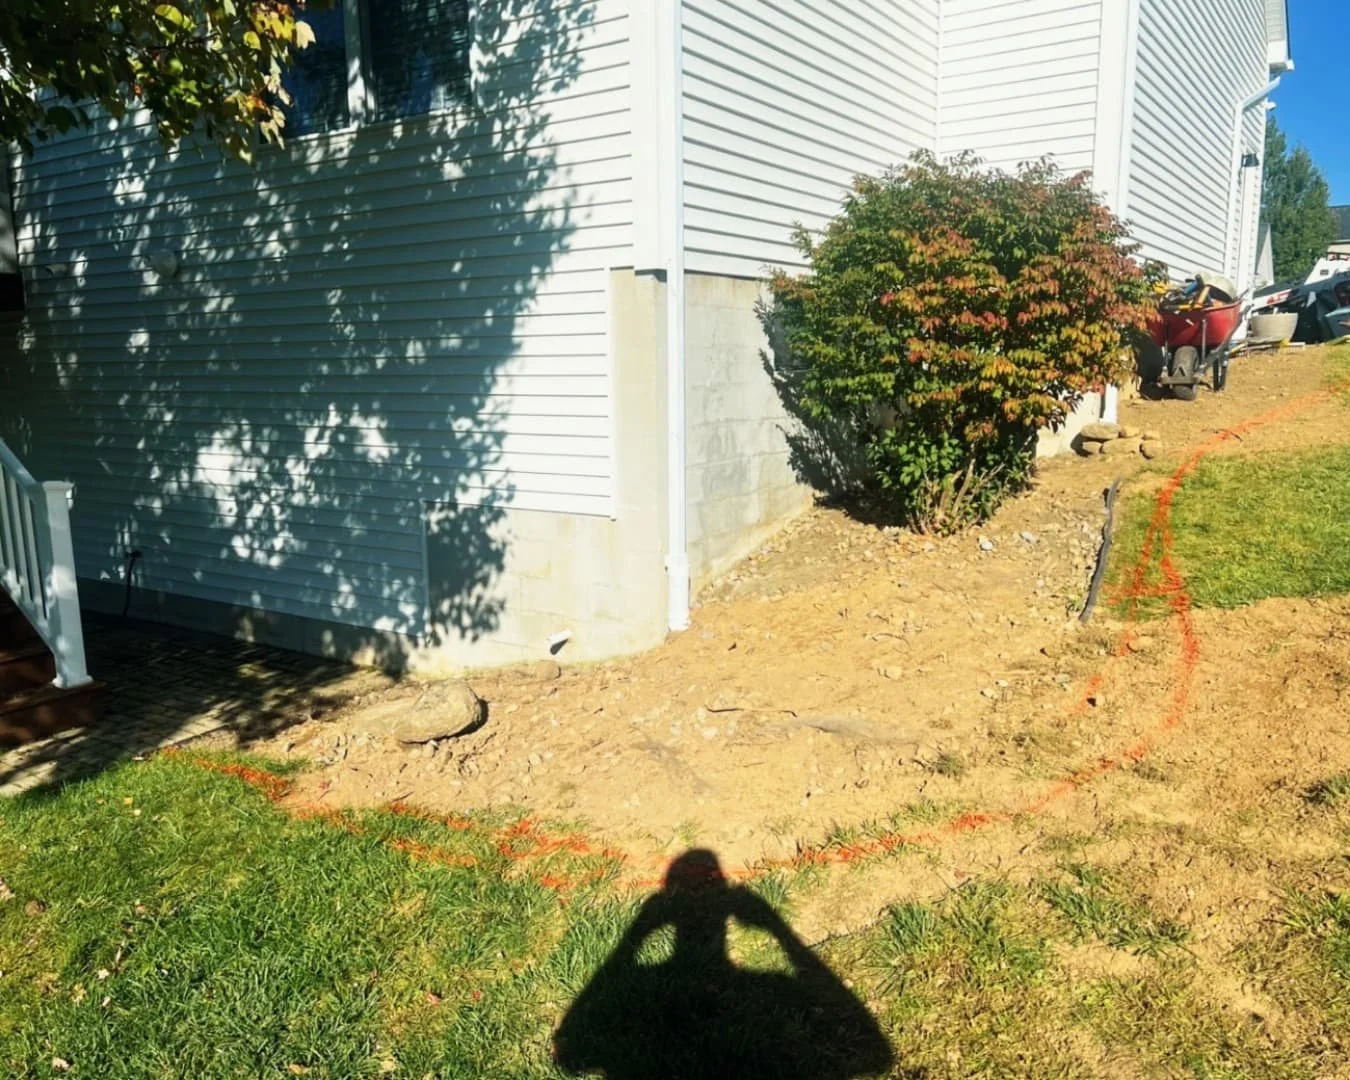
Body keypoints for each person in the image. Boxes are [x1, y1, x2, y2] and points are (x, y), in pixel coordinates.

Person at [553, 850, 894, 1080]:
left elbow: (571, 1055)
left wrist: (639, 933)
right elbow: (875, 1055)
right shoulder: (775, 989)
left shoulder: (638, 997)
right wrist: (779, 932)